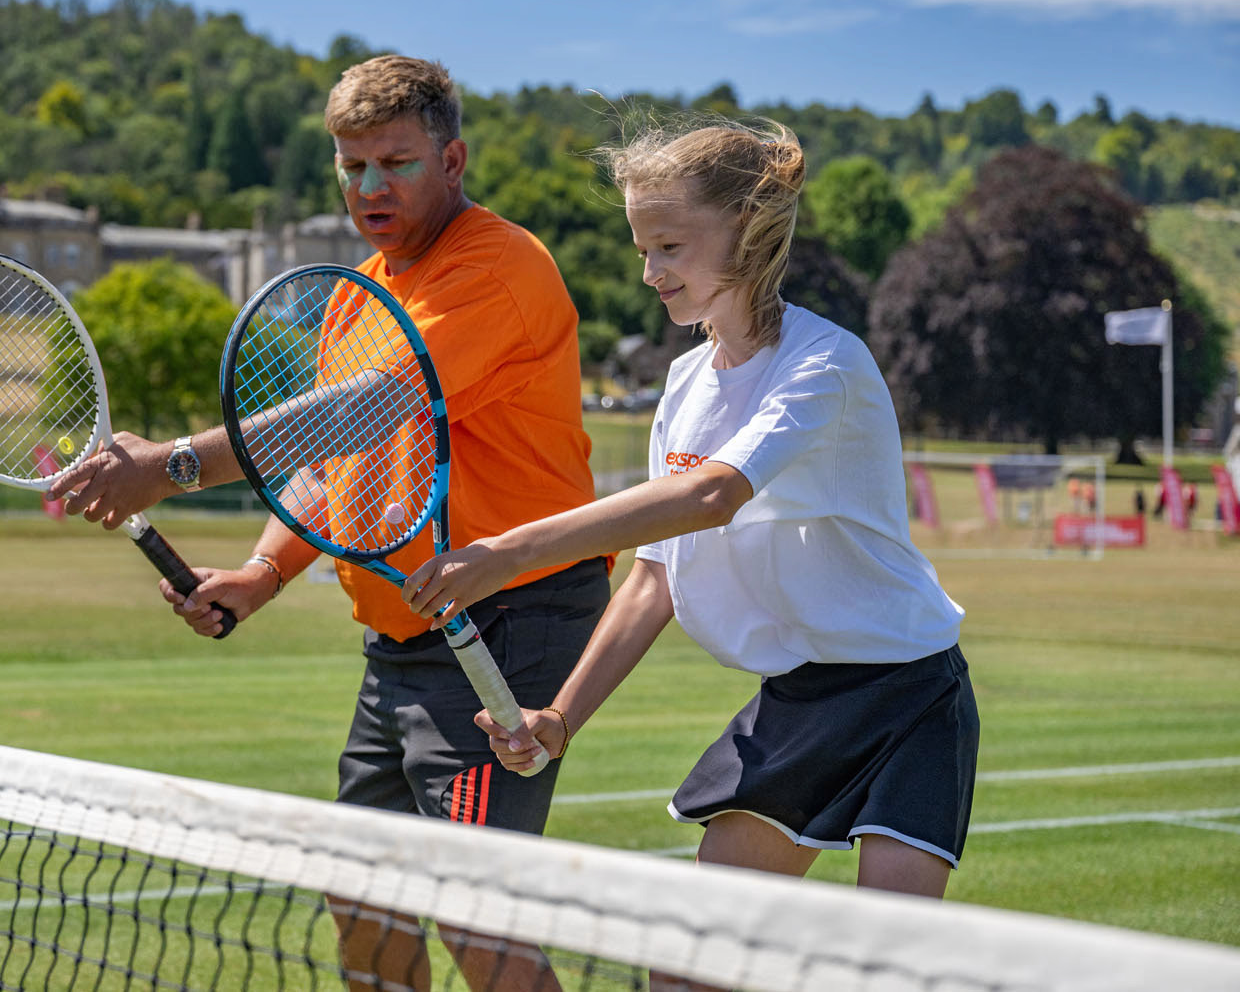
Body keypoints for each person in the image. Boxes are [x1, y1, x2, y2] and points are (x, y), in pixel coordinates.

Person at [48, 54, 610, 992]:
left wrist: (171, 466)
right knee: (364, 909)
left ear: (454, 159)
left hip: (508, 621)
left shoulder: (500, 266)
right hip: (400, 638)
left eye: (394, 162)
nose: (369, 186)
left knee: (477, 916)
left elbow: (362, 411)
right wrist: (260, 575)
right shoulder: (358, 294)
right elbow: (331, 471)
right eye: (351, 167)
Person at [401, 117, 978, 989]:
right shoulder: (684, 381)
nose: (649, 271)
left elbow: (708, 495)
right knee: (686, 968)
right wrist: (560, 718)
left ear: (746, 228)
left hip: (909, 690)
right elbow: (655, 576)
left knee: (884, 967)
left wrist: (509, 552)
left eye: (669, 243)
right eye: (642, 246)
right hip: (798, 699)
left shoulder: (825, 365)